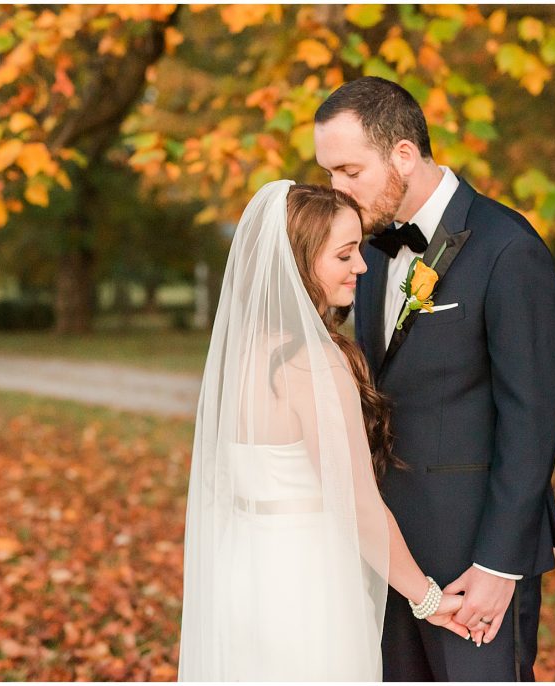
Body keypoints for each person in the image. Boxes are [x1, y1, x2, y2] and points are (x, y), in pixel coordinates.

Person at [313, 76, 555, 681]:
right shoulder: (370, 251)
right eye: (328, 173)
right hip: (388, 553)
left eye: (349, 170)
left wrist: (499, 565)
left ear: (403, 153)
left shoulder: (509, 249)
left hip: (472, 558)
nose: (337, 189)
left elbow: (533, 421)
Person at [178, 181, 472, 681]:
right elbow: (357, 504)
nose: (361, 265)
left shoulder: (242, 354)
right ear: (300, 263)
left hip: (242, 572)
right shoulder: (313, 365)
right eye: (346, 254)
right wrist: (427, 599)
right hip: (303, 581)